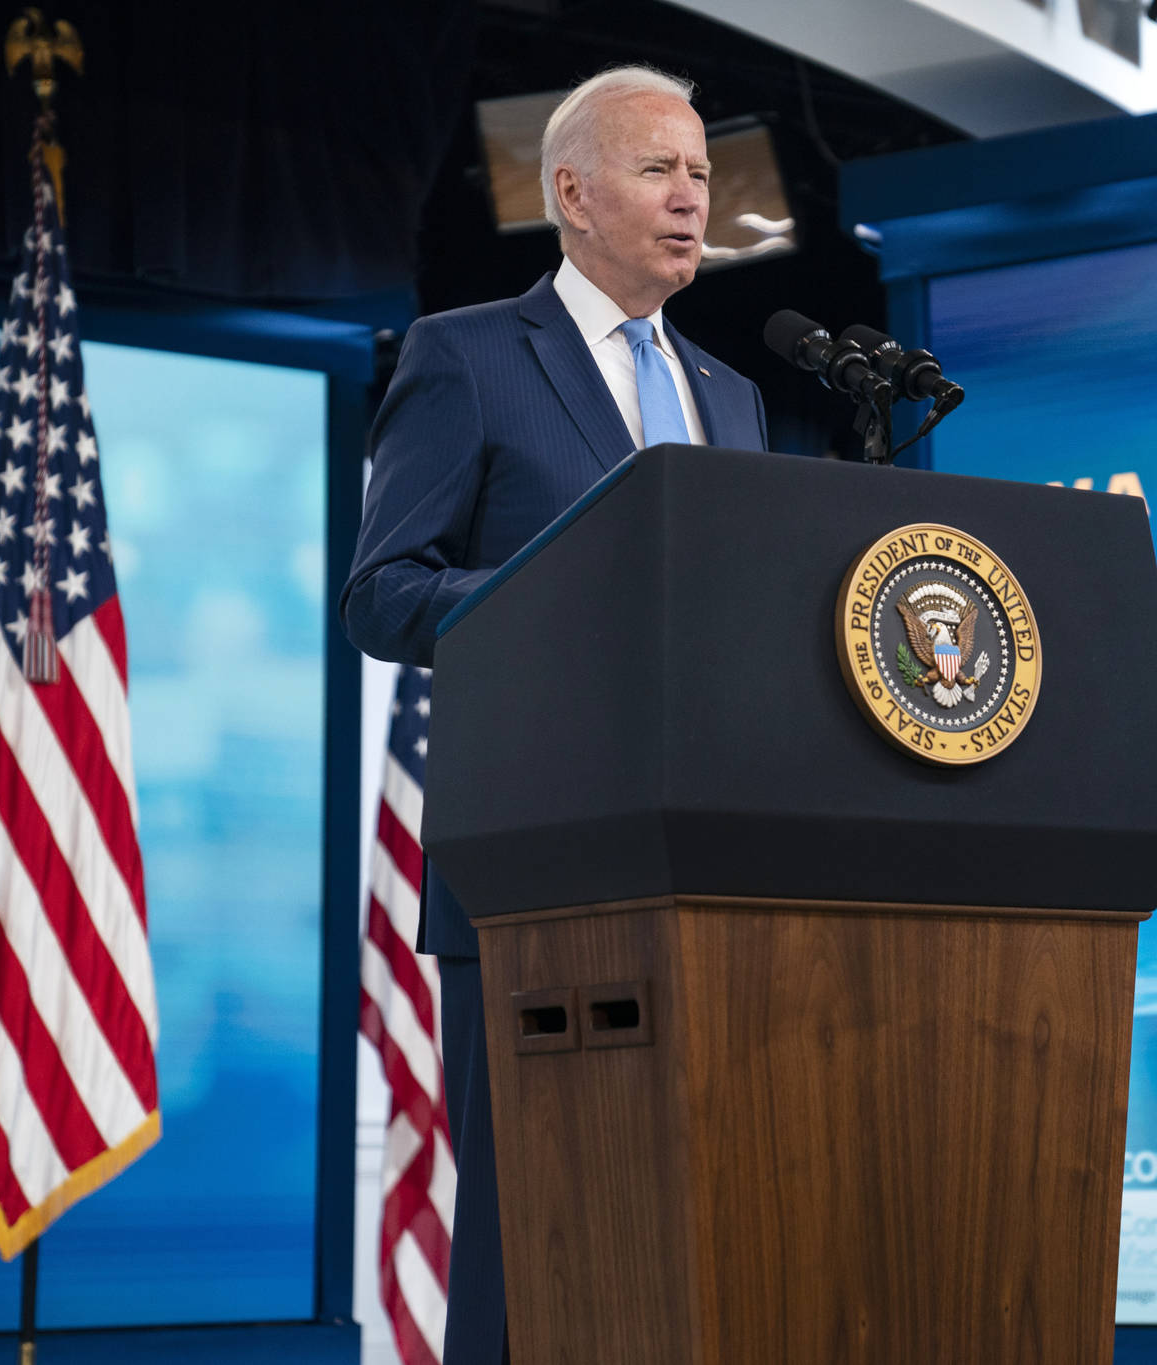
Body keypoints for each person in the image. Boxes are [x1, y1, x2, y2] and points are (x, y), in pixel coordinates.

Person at [340, 65, 769, 1365]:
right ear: (571, 194)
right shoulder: (467, 356)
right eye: (659, 170)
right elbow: (382, 594)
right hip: (533, 871)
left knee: (694, 1235)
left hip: (708, 876)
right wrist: (557, 589)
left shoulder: (733, 395)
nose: (692, 196)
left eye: (701, 172)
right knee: (537, 1244)